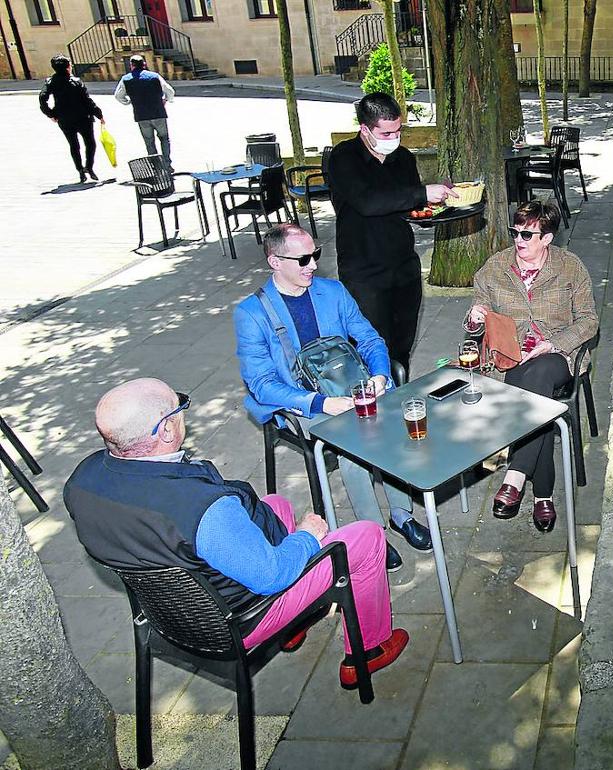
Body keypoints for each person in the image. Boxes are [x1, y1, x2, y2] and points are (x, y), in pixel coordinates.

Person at [62, 378, 409, 690]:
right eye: (180, 406)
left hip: (168, 611)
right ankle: (367, 650)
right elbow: (271, 576)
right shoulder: (204, 511)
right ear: (166, 430)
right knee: (363, 539)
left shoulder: (81, 482)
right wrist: (306, 535)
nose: (184, 413)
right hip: (237, 618)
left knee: (275, 505)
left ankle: (293, 628)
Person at [233, 224, 433, 572]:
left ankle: (402, 514)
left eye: (316, 255)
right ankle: (372, 532)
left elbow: (370, 340)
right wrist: (321, 403)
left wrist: (379, 377)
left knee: (393, 423)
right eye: (303, 259)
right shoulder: (251, 313)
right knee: (353, 441)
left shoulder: (332, 291)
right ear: (274, 262)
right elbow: (261, 383)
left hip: (350, 387)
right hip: (303, 403)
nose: (312, 265)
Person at [467, 201, 599, 532]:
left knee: (539, 373)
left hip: (557, 355)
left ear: (547, 238)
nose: (519, 240)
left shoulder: (570, 267)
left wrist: (553, 344)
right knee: (532, 394)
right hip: (510, 358)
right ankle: (543, 495)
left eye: (528, 234)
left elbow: (588, 321)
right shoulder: (495, 267)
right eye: (515, 232)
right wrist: (474, 319)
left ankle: (514, 475)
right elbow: (476, 315)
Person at [326, 93, 454, 369]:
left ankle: (399, 399)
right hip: (364, 271)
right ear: (365, 129)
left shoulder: (403, 158)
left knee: (401, 346)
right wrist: (422, 193)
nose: (393, 137)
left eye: (398, 130)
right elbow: (369, 202)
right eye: (386, 132)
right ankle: (374, 406)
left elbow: (408, 207)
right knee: (372, 348)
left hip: (404, 266)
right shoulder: (344, 157)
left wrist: (438, 210)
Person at [39, 54, 105, 183]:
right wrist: (98, 114)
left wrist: (51, 114)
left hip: (64, 118)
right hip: (83, 117)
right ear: (68, 67)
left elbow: (42, 98)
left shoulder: (51, 82)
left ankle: (80, 170)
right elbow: (87, 100)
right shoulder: (76, 81)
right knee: (90, 143)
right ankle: (89, 167)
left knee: (74, 145)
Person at [113, 54, 175, 170]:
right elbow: (169, 90)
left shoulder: (126, 79)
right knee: (164, 138)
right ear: (144, 64)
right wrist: (166, 100)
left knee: (149, 141)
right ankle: (167, 164)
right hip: (158, 112)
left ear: (131, 66)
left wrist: (128, 102)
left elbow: (118, 96)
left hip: (141, 115)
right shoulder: (154, 76)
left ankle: (156, 166)